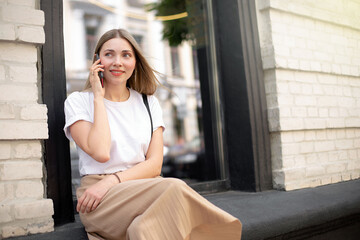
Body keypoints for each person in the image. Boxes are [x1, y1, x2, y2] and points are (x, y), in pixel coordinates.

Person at [64, 28, 242, 240]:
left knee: (143, 231)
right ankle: (225, 233)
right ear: (97, 61)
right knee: (174, 187)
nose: (117, 62)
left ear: (136, 62)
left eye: (126, 55)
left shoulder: (149, 103)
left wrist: (111, 180)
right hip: (100, 199)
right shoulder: (78, 101)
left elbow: (154, 164)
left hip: (147, 191)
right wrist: (98, 98)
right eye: (109, 54)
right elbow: (101, 152)